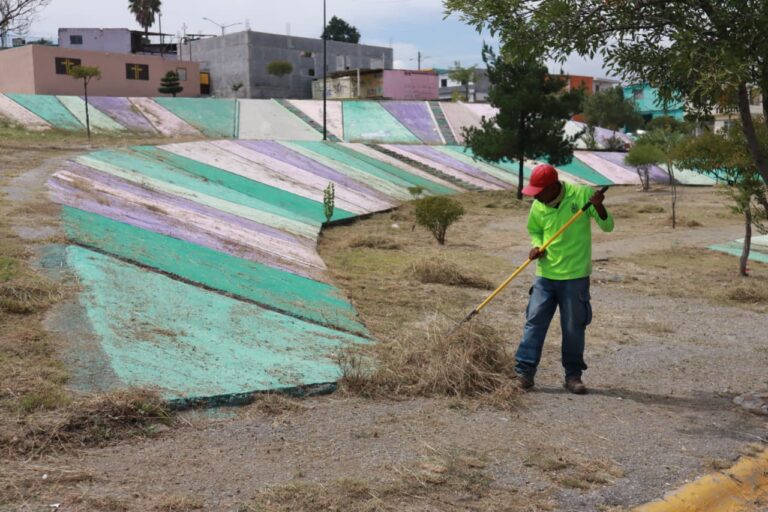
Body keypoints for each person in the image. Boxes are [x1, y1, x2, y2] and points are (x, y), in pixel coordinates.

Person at [514, 164, 613, 394]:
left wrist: (599, 207)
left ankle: (573, 376)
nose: (535, 196)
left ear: (553, 187)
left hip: (575, 276)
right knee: (534, 322)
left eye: (539, 191)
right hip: (545, 275)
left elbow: (608, 226)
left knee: (573, 327)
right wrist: (537, 245)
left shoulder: (583, 195)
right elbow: (535, 230)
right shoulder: (538, 205)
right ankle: (524, 373)